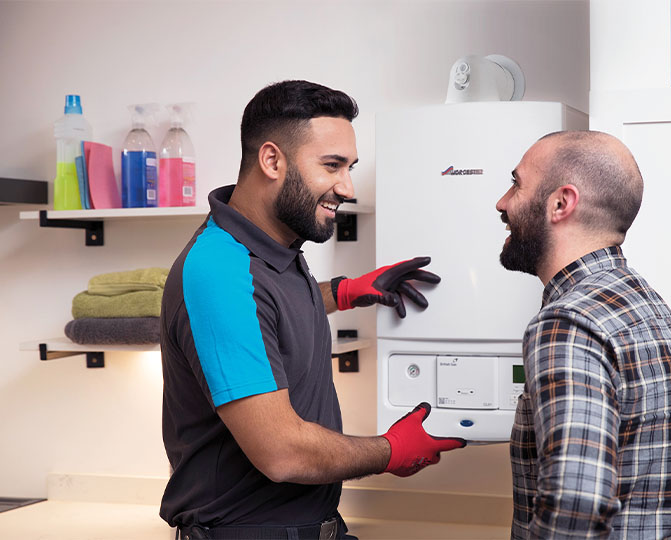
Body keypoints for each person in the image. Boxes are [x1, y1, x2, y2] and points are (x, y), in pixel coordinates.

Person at [159, 80, 465, 540]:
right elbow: (282, 452)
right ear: (272, 160)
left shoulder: (268, 249)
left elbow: (263, 313)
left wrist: (343, 292)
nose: (346, 187)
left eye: (350, 167)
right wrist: (390, 450)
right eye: (332, 166)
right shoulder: (219, 270)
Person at [496, 130, 671, 539]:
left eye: (516, 183)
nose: (502, 202)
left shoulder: (567, 321)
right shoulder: (642, 300)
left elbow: (575, 506)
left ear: (561, 203)